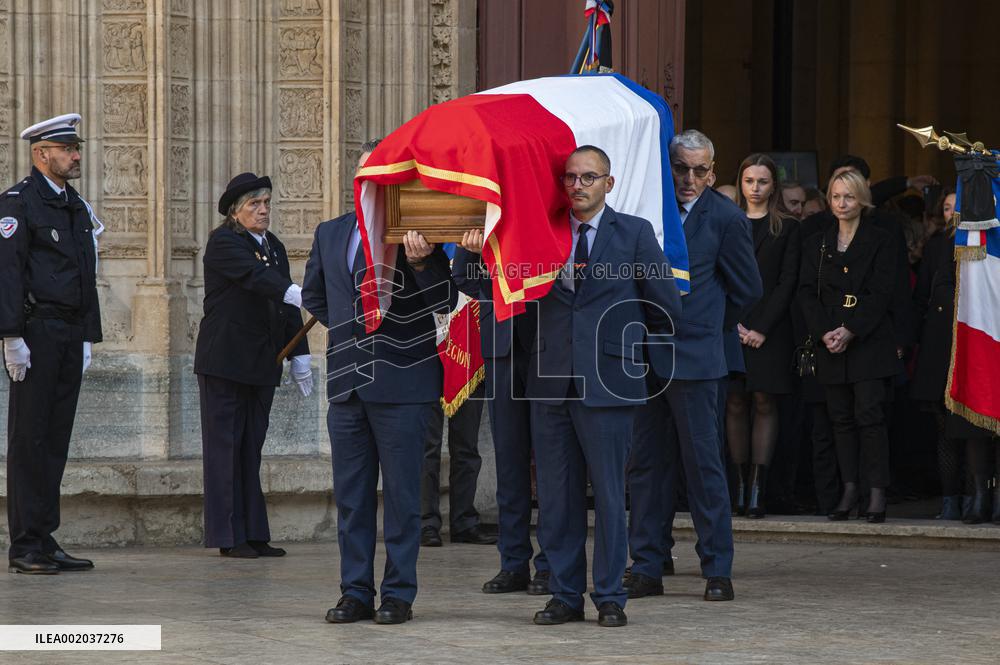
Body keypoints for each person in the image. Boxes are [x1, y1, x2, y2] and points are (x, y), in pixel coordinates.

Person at [302, 140, 456, 625]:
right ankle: (355, 592)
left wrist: (421, 262)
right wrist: (356, 334)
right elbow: (315, 296)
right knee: (351, 499)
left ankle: (398, 594)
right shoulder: (331, 232)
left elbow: (444, 300)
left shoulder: (418, 232)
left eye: (382, 174)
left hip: (405, 385)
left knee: (405, 499)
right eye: (364, 173)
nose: (371, 182)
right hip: (348, 385)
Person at [527, 145, 680, 628]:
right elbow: (502, 293)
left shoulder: (634, 233)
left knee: (611, 495)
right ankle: (564, 595)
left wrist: (628, 354)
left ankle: (611, 595)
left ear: (608, 183)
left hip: (610, 383)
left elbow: (665, 305)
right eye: (570, 177)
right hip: (551, 381)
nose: (577, 185)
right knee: (556, 498)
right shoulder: (542, 231)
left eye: (588, 177)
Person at [626, 129, 761, 604]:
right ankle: (647, 564)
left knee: (703, 466)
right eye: (680, 167)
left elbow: (747, 289)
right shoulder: (647, 209)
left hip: (699, 359)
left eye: (699, 170)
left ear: (712, 172)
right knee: (646, 465)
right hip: (647, 356)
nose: (688, 178)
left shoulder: (726, 218)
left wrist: (706, 326)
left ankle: (717, 568)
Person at [2, 113, 102, 575]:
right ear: (41, 153)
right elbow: (8, 272)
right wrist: (11, 336)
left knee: (56, 438)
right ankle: (24, 545)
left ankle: (45, 536)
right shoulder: (19, 203)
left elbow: (86, 272)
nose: (76, 156)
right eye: (67, 149)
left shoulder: (73, 205)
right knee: (30, 439)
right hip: (36, 331)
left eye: (76, 148)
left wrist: (88, 336)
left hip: (69, 332)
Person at [194, 173, 312, 560]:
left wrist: (300, 353)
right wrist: (298, 292)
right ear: (235, 212)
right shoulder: (224, 242)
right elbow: (256, 277)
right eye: (254, 204)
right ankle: (229, 535)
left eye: (266, 203)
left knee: (251, 448)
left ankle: (255, 532)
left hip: (262, 361)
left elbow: (285, 304)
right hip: (226, 360)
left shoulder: (273, 246)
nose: (263, 210)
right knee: (225, 448)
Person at [452, 233, 550, 595]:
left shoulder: (547, 212)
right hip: (502, 347)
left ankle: (551, 564)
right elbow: (463, 278)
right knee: (509, 461)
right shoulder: (489, 213)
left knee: (552, 463)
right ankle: (513, 562)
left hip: (549, 345)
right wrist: (475, 251)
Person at [799, 169, 898, 523]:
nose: (842, 203)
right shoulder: (818, 242)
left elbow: (882, 292)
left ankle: (877, 491)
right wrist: (825, 331)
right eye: (836, 196)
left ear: (862, 200)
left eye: (849, 196)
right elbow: (806, 292)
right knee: (839, 419)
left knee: (870, 417)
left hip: (868, 342)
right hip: (829, 344)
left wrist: (851, 329)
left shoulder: (882, 240)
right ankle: (850, 488)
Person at [726, 154, 800, 519]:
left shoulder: (787, 227)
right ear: (741, 183)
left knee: (764, 401)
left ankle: (758, 490)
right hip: (731, 325)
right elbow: (718, 275)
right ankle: (739, 487)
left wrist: (761, 328)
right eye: (749, 181)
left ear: (774, 186)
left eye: (763, 182)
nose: (755, 188)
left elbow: (788, 281)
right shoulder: (727, 221)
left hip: (771, 330)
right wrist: (735, 324)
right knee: (735, 402)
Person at [419, 389, 496, 548]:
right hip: (427, 373)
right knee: (427, 449)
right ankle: (426, 523)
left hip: (467, 374)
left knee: (467, 446)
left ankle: (464, 523)